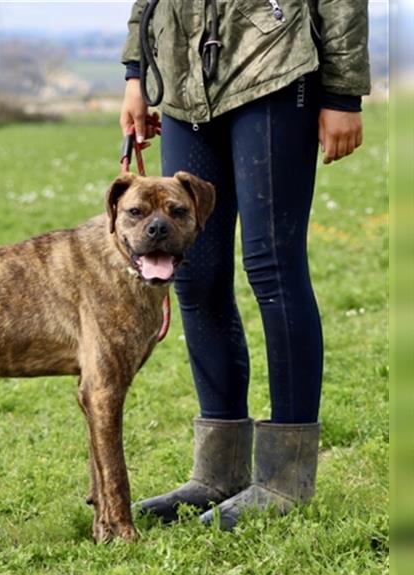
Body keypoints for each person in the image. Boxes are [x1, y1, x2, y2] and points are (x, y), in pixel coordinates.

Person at [119, 0, 370, 530]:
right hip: (184, 79)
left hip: (274, 66)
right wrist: (137, 72)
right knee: (195, 276)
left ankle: (284, 479)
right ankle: (219, 473)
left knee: (271, 266)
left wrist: (343, 90)